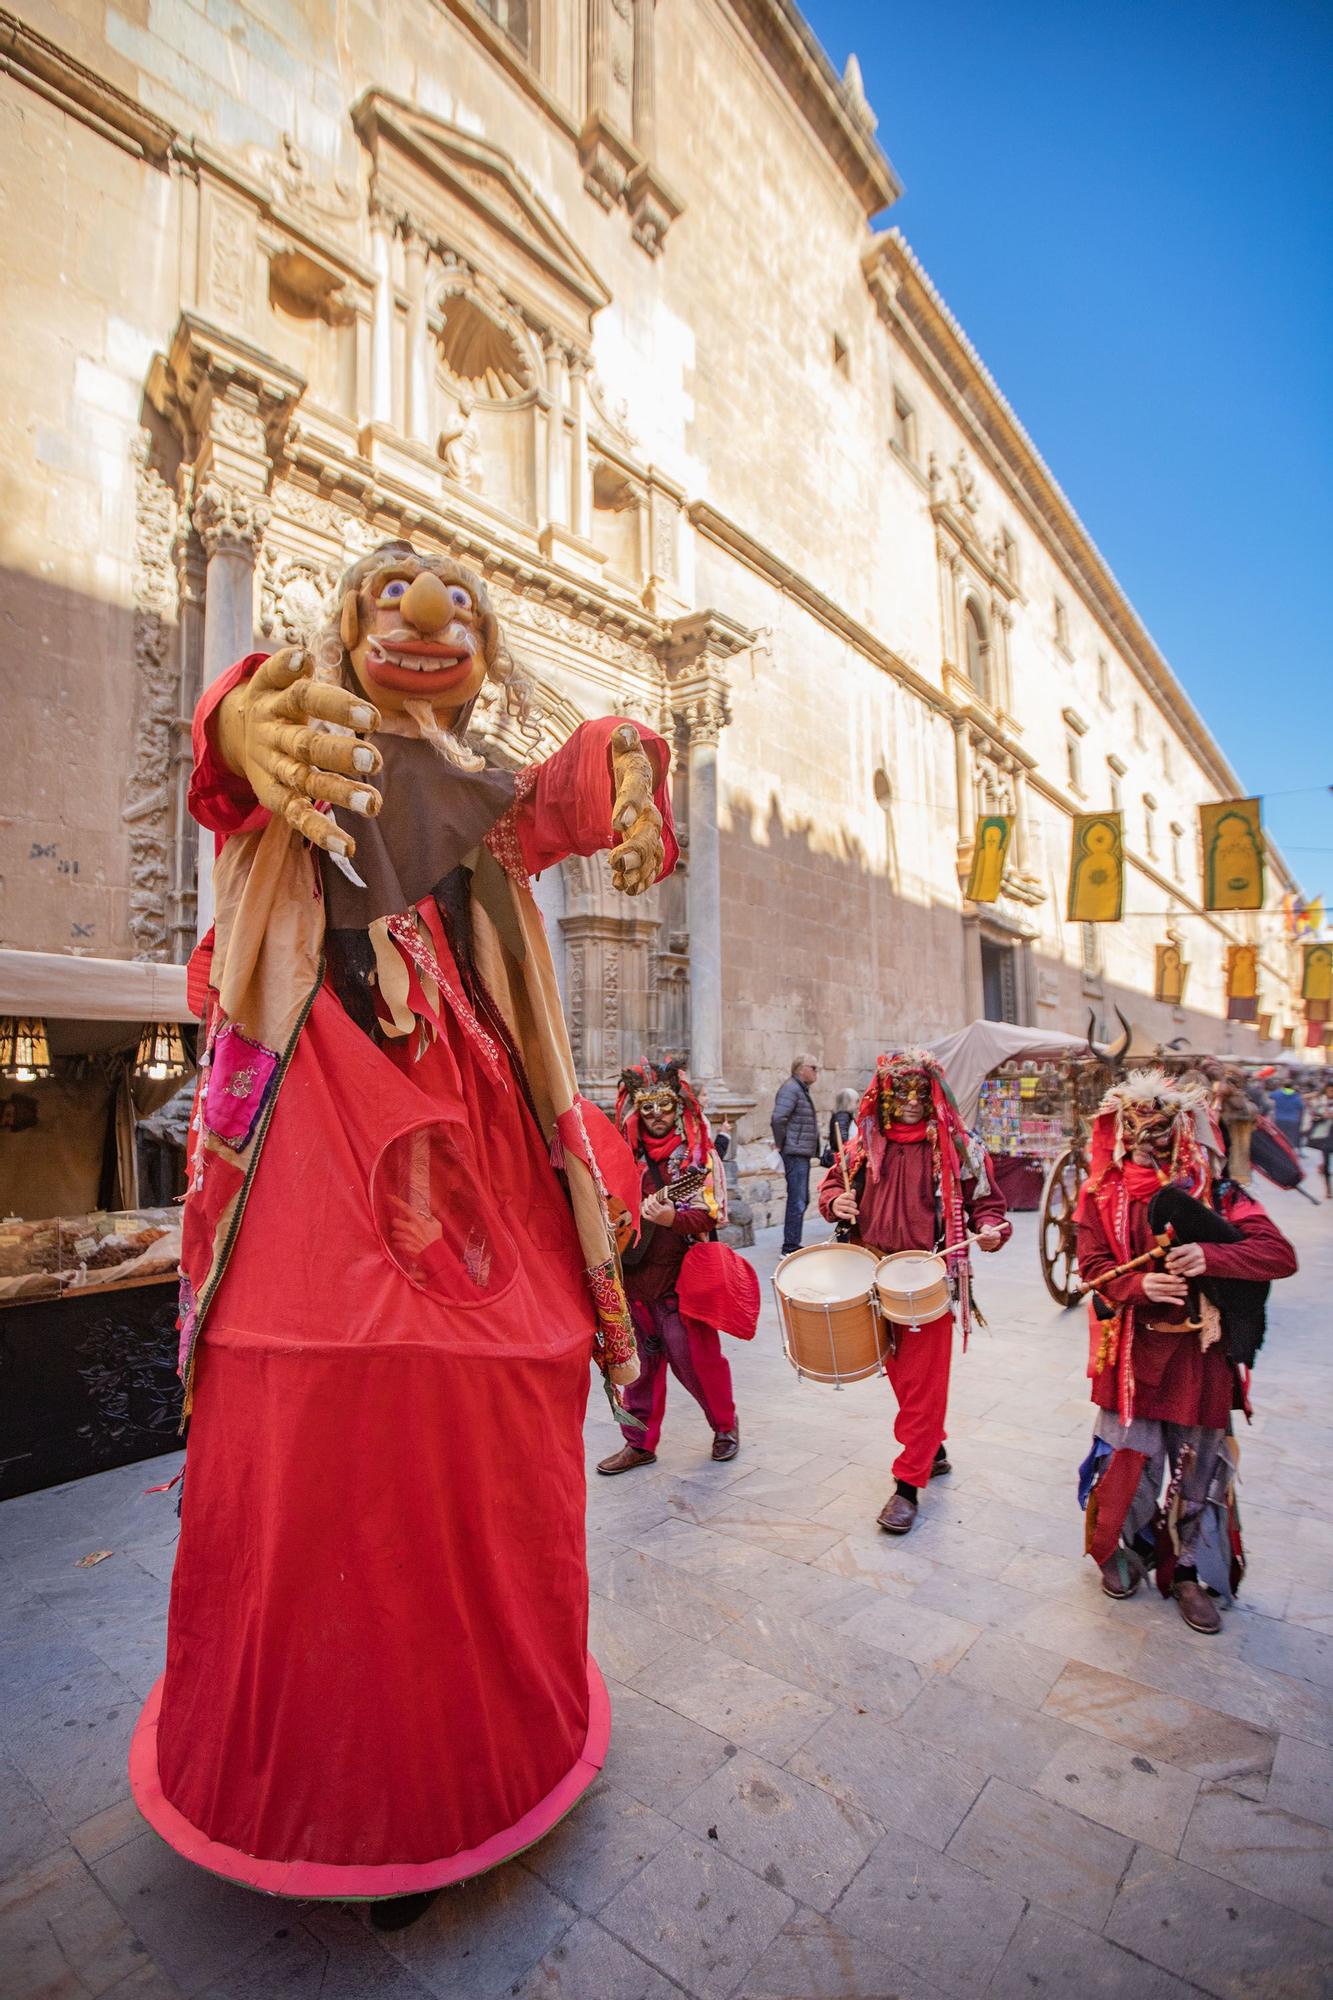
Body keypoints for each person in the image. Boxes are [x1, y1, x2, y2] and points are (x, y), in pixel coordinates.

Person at [129, 542, 677, 1924]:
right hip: (317, 1130)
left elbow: (553, 795)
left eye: (460, 618)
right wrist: (239, 723)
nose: (427, 626)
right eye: (392, 602)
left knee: (480, 1418)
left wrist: (624, 752)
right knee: (321, 1444)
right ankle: (323, 1781)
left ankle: (455, 1767)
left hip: (474, 1138)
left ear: (486, 655)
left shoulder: (479, 806)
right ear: (346, 624)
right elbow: (227, 754)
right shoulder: (304, 732)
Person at [1075, 1070, 1296, 1634]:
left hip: (1202, 1359)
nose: (1150, 1140)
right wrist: (1137, 1287)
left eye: (1161, 1129)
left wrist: (1210, 1256)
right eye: (1138, 1128)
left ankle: (1188, 1572)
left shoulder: (1218, 1190)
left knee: (1199, 1469)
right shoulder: (1099, 1193)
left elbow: (1278, 1254)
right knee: (1128, 1463)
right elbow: (1094, 1270)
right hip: (1133, 1356)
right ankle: (1124, 1552)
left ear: (1182, 1129)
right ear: (1121, 1129)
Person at [815, 1048, 1010, 1535]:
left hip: (929, 1274)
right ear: (883, 1094)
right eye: (900, 1092)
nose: (910, 1102)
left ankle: (907, 1484)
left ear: (934, 1094)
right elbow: (833, 1183)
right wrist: (833, 1200)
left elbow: (988, 1203)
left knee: (924, 1380)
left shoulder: (959, 1146)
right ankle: (933, 1446)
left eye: (920, 1093)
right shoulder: (863, 1142)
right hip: (870, 1270)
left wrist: (991, 1229)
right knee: (900, 1374)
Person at [597, 1062, 741, 1474]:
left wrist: (670, 1220)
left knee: (696, 1362)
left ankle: (725, 1426)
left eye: (664, 1105)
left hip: (680, 1281)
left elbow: (711, 1215)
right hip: (634, 1278)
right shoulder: (621, 1156)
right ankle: (639, 1443)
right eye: (647, 1107)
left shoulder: (698, 1158)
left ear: (678, 1108)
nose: (656, 1114)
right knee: (637, 1370)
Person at [772, 1054, 820, 1254]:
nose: (817, 1072)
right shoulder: (791, 1089)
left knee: (802, 1199)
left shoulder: (799, 1089)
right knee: (798, 1200)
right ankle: (790, 1246)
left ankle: (793, 1243)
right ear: (802, 1069)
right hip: (795, 1151)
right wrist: (783, 1144)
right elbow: (778, 1118)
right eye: (814, 1068)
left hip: (800, 1151)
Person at [822, 1087, 858, 1168]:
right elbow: (842, 1138)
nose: (857, 1105)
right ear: (849, 1102)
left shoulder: (843, 1115)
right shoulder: (843, 1116)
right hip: (842, 1156)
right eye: (856, 1102)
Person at [1270, 1073, 1305, 1153]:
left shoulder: (1277, 1093)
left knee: (1279, 1137)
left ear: (1283, 1085)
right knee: (1290, 1139)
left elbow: (1270, 1096)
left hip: (1279, 1119)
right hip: (1292, 1120)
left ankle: (1280, 1151)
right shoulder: (1297, 1096)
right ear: (1292, 1086)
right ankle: (1288, 1153)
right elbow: (1301, 1108)